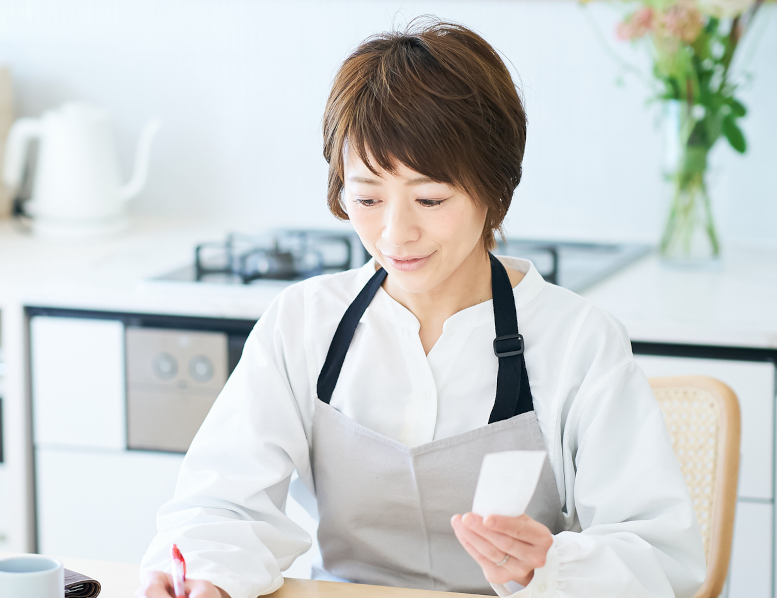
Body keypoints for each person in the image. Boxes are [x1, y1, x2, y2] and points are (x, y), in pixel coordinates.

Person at [137, 18, 706, 598]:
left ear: (495, 187)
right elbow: (220, 506)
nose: (394, 233)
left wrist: (551, 566)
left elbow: (663, 560)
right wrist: (206, 574)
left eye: (430, 198)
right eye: (366, 197)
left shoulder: (578, 341)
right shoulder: (302, 323)